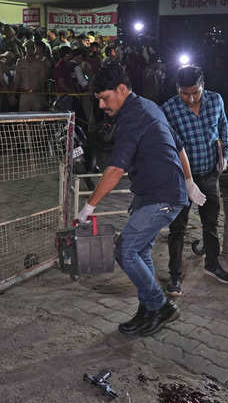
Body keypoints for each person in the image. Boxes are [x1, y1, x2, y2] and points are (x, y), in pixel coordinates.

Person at [76, 62, 205, 336]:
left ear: (121, 90)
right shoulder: (147, 106)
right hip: (154, 192)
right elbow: (179, 145)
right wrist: (189, 181)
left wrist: (89, 205)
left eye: (104, 98)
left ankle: (160, 306)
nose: (101, 105)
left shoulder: (133, 118)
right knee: (140, 250)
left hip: (163, 195)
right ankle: (147, 310)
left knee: (125, 250)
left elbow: (115, 169)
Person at [161, 65, 228, 296]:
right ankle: (175, 275)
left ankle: (212, 263)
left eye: (195, 92)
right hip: (182, 181)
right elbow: (168, 149)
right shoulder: (168, 110)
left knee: (211, 223)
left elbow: (223, 127)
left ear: (203, 86)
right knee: (177, 229)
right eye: (185, 93)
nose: (190, 98)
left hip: (210, 173)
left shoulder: (216, 100)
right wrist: (185, 181)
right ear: (177, 88)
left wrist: (225, 156)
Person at [10, 41, 47, 112]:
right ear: (25, 49)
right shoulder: (20, 62)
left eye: (31, 48)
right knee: (23, 117)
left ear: (35, 49)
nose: (29, 50)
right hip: (24, 94)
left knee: (37, 117)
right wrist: (13, 96)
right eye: (27, 48)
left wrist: (44, 98)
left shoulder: (40, 63)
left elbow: (42, 81)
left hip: (36, 94)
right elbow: (16, 79)